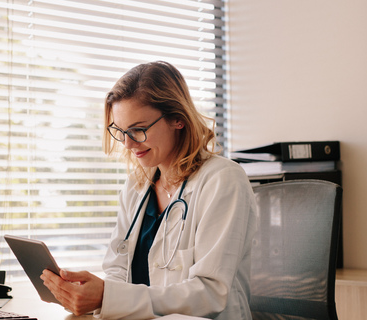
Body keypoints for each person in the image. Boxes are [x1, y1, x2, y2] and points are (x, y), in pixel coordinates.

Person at [40, 61, 257, 319]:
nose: (128, 143)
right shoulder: (137, 186)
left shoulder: (223, 180)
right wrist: (93, 296)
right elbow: (117, 271)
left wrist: (107, 297)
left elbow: (209, 293)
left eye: (138, 130)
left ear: (178, 118)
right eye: (120, 131)